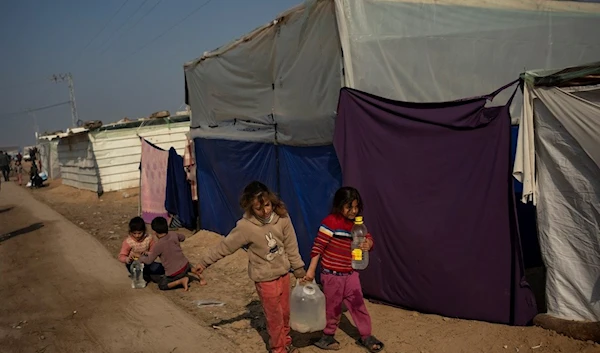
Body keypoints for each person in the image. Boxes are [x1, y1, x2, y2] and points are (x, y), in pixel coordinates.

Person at [193, 181, 306, 353]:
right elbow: (226, 246)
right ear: (250, 206)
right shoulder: (245, 227)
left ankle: (286, 341)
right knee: (274, 317)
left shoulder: (282, 217)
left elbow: (291, 244)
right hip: (264, 278)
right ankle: (278, 348)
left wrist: (298, 267)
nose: (265, 210)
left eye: (267, 205)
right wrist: (204, 262)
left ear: (271, 201)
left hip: (283, 275)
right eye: (259, 208)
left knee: (285, 314)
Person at [304, 187, 384, 353]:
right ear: (339, 206)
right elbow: (318, 247)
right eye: (349, 207)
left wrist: (368, 244)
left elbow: (368, 239)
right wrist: (311, 271)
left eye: (356, 207)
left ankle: (366, 335)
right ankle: (327, 336)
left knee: (358, 305)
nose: (353, 211)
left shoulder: (358, 225)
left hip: (351, 274)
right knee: (332, 307)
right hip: (332, 275)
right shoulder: (330, 223)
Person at [140, 217, 206, 291]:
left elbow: (149, 261)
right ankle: (197, 273)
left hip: (175, 273)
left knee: (162, 285)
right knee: (183, 262)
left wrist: (140, 257)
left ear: (155, 232)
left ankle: (180, 281)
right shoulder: (173, 234)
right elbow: (183, 237)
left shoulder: (158, 245)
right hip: (185, 265)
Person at [118, 217, 165, 283]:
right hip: (134, 265)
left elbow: (154, 252)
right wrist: (127, 259)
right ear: (130, 232)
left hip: (146, 262)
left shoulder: (149, 239)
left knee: (160, 267)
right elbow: (121, 256)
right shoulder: (128, 242)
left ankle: (146, 275)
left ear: (144, 231)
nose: (137, 236)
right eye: (134, 233)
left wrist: (147, 253)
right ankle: (144, 275)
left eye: (139, 233)